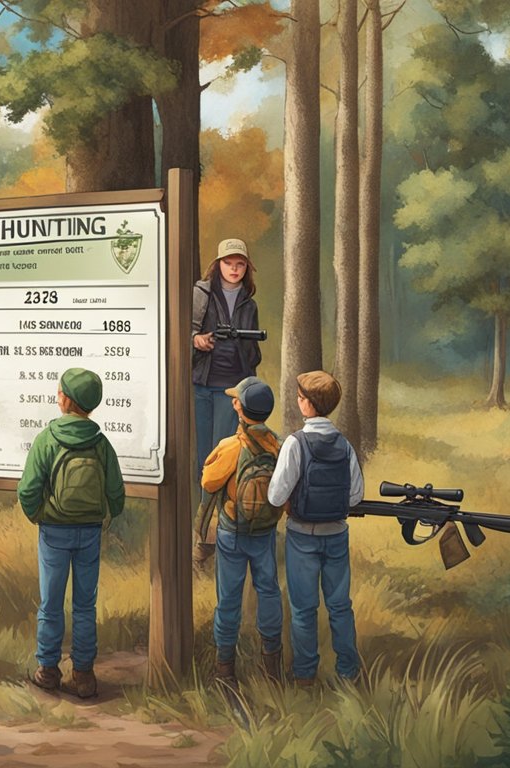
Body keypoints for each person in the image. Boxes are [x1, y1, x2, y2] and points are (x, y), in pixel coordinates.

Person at [17, 369, 125, 699]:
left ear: (64, 399)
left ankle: (48, 670)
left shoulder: (46, 440)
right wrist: (103, 516)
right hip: (89, 532)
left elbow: (28, 491)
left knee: (50, 604)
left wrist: (40, 514)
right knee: (84, 605)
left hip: (53, 531)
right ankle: (83, 675)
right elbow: (116, 493)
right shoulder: (101, 443)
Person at [268, 371, 365, 687]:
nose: (297, 401)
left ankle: (305, 675)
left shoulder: (295, 443)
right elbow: (356, 496)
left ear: (309, 405)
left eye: (300, 397)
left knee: (303, 609)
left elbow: (276, 495)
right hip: (336, 535)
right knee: (340, 606)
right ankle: (349, 672)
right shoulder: (344, 445)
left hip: (302, 536)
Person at [199, 376, 283, 689]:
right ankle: (272, 666)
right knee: (269, 592)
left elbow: (208, 483)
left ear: (239, 407)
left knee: (229, 600)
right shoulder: (278, 444)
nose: (232, 401)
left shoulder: (231, 447)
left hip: (232, 532)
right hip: (264, 532)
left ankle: (225, 670)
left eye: (236, 398)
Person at [192, 239, 262, 497]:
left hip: (232, 386)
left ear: (247, 268)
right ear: (217, 264)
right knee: (203, 456)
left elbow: (253, 347)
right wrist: (196, 340)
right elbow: (184, 329)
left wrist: (248, 368)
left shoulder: (249, 303)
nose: (234, 269)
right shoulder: (201, 294)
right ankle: (204, 515)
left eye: (240, 264)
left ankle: (216, 515)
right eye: (228, 263)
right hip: (201, 380)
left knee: (223, 452)